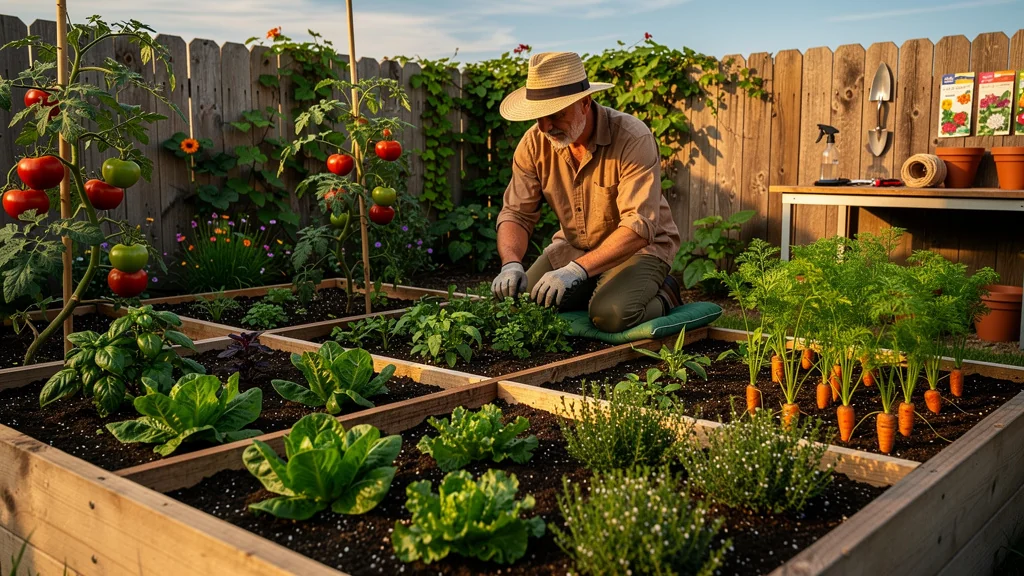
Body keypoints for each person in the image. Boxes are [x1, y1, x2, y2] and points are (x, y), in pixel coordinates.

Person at [490, 51, 682, 333]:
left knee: (609, 316)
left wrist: (576, 271)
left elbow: (638, 227)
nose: (546, 127)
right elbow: (516, 214)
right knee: (523, 304)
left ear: (584, 102)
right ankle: (593, 284)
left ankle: (667, 293)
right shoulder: (534, 142)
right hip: (575, 247)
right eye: (539, 117)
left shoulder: (632, 137)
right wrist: (511, 264)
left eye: (556, 114)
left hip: (639, 249)